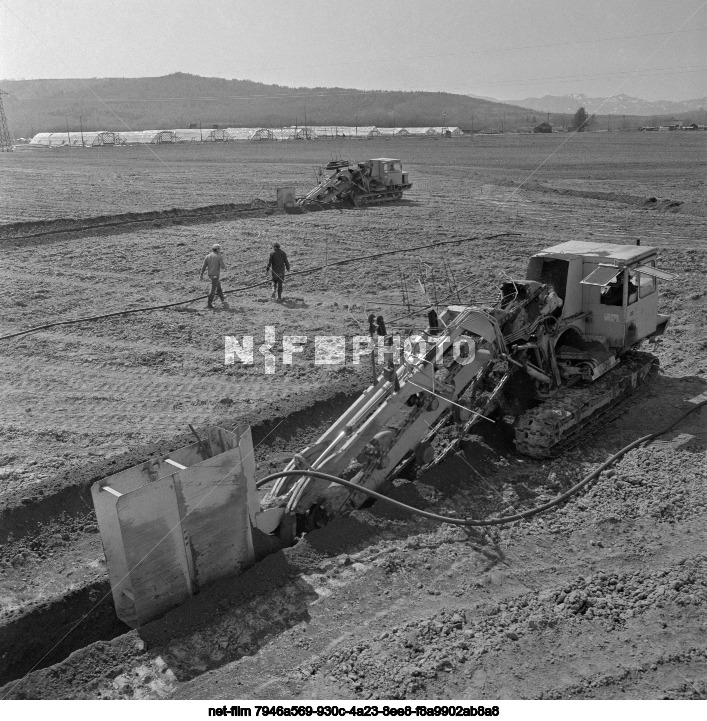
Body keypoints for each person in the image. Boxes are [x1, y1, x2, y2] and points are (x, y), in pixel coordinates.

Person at [200, 243, 228, 309]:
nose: (220, 250)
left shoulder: (208, 256)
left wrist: (201, 274)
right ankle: (209, 304)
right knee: (213, 289)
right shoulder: (218, 256)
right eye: (219, 249)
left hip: (210, 275)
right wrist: (222, 260)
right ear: (217, 249)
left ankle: (222, 299)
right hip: (215, 275)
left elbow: (204, 266)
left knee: (218, 285)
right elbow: (223, 267)